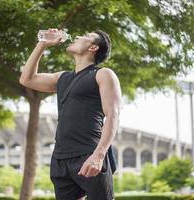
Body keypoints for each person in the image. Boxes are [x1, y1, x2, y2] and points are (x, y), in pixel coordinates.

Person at [19, 28, 122, 200]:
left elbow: (113, 115)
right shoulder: (62, 78)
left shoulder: (103, 74)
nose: (78, 36)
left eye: (86, 36)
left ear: (93, 47)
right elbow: (26, 79)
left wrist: (99, 155)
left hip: (89, 153)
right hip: (61, 158)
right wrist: (42, 44)